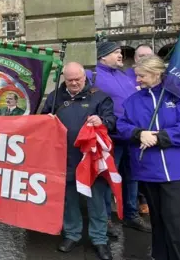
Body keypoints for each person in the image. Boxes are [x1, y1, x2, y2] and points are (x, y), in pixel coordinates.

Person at [42, 62, 116, 260]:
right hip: (64, 159)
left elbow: (112, 121)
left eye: (78, 79)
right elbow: (42, 120)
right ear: (64, 78)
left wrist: (102, 121)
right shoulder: (55, 97)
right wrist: (46, 119)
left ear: (85, 77)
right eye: (69, 80)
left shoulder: (99, 97)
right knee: (69, 200)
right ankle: (72, 234)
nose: (74, 83)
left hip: (92, 160)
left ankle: (100, 239)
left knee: (97, 201)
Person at [118, 55, 180, 260]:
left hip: (174, 171)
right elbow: (122, 126)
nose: (137, 80)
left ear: (156, 74)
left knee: (176, 222)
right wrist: (139, 133)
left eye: (141, 76)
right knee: (158, 220)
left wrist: (160, 137)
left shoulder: (176, 96)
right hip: (147, 170)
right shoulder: (133, 100)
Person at [88, 42, 150, 235]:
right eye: (115, 53)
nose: (120, 55)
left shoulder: (125, 76)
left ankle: (131, 215)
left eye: (120, 53)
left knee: (132, 178)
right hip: (109, 137)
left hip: (131, 136)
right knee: (107, 180)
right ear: (103, 57)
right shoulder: (93, 75)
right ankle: (105, 219)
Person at [126, 44, 154, 215]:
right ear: (135, 58)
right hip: (135, 133)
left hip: (155, 134)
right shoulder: (126, 77)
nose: (143, 58)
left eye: (147, 55)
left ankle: (145, 201)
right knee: (132, 172)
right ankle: (133, 206)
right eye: (141, 55)